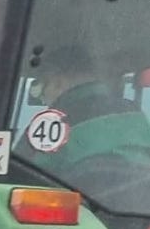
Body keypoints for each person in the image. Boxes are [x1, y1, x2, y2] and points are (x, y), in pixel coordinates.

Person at [24, 43, 150, 176]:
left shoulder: (51, 125)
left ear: (57, 82)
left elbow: (22, 175)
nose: (44, 99)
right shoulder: (136, 115)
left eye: (41, 90)